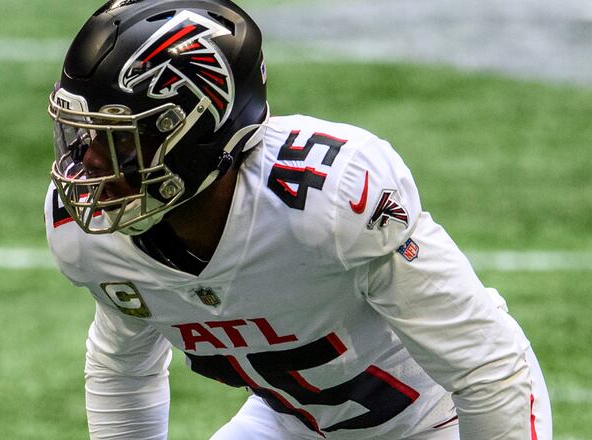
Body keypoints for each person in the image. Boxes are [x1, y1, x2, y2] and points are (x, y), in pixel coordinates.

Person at [45, 0, 552, 438]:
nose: (89, 164)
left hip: (438, 423)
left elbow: (490, 369)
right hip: (297, 426)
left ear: (202, 132)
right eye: (87, 137)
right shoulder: (93, 233)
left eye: (122, 140)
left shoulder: (327, 199)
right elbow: (122, 369)